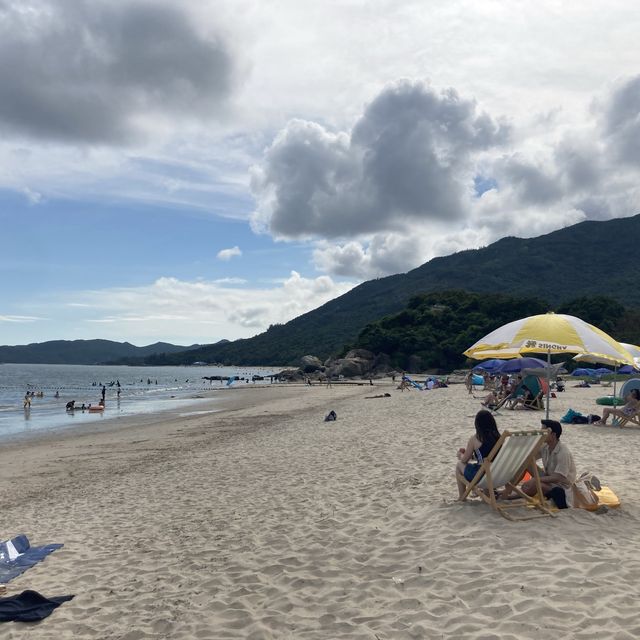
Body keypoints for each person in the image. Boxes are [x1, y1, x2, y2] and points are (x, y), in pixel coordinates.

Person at [512, 419, 576, 509]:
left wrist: (536, 480)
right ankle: (509, 489)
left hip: (561, 487)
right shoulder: (545, 447)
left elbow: (559, 477)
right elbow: (530, 457)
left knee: (535, 484)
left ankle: (511, 496)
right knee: (527, 463)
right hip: (550, 479)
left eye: (544, 432)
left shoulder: (563, 452)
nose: (541, 434)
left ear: (553, 435)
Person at [455, 409, 501, 500]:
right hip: (498, 474)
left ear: (477, 424)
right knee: (485, 465)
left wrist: (460, 455)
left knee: (459, 465)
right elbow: (488, 455)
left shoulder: (475, 438)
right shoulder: (499, 438)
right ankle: (487, 494)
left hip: (482, 476)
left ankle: (462, 497)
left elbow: (464, 460)